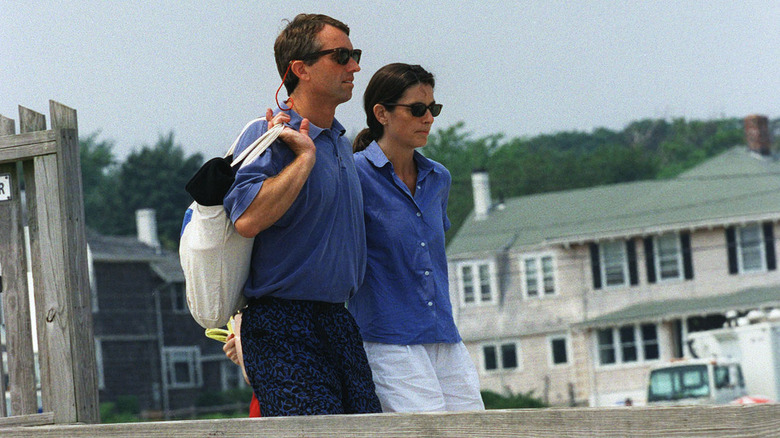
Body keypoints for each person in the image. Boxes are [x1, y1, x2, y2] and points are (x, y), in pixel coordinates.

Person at [222, 14, 381, 417]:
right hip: (281, 324)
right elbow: (248, 218)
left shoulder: (343, 144)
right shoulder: (268, 134)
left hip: (337, 320)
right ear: (300, 69)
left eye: (355, 54)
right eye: (342, 56)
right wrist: (304, 157)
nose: (356, 67)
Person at [348, 63, 485, 412]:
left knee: (478, 430)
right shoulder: (354, 176)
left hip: (443, 333)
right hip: (388, 339)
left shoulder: (439, 178)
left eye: (433, 109)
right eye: (417, 109)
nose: (429, 119)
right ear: (382, 113)